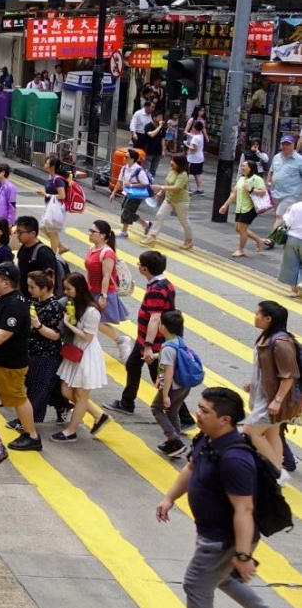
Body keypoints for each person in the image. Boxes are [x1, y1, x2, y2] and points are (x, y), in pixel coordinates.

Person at [156, 387, 269, 608]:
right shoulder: (207, 439)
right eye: (199, 407)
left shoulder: (235, 459)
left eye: (205, 411)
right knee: (221, 577)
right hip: (214, 534)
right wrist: (170, 498)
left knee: (196, 584)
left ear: (225, 420)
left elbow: (244, 509)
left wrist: (243, 555)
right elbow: (191, 467)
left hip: (223, 540)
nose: (198, 413)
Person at [0, 262, 43, 451]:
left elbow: (4, 334)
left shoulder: (16, 305)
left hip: (7, 364)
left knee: (17, 398)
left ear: (6, 283)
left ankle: (31, 435)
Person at [105, 250, 176, 415]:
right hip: (145, 339)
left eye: (139, 264)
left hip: (153, 341)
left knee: (159, 378)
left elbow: (155, 318)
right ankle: (127, 402)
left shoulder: (156, 290)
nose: (138, 266)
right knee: (132, 365)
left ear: (145, 269)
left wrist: (149, 346)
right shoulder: (166, 283)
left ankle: (183, 416)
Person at [242, 300, 299, 480]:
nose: (255, 316)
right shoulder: (266, 337)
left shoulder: (281, 342)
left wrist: (278, 400)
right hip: (264, 395)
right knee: (272, 433)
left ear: (269, 318)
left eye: (258, 313)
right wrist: (254, 382)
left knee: (251, 431)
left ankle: (277, 471)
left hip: (271, 399)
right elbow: (266, 369)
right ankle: (277, 471)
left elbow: (289, 375)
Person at [52, 273, 111, 441]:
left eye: (69, 289)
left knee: (81, 396)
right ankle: (98, 415)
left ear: (79, 289)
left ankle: (71, 431)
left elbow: (88, 336)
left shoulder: (92, 311)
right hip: (75, 352)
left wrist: (69, 324)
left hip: (87, 355)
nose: (66, 292)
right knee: (67, 390)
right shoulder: (75, 304)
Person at [22, 269, 68, 429]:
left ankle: (28, 422)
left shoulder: (54, 308)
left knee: (37, 390)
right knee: (44, 386)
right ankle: (62, 405)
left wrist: (37, 325)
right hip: (33, 352)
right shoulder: (36, 302)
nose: (29, 290)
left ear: (44, 288)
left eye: (32, 287)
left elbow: (56, 335)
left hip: (47, 355)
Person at [153, 311, 196, 459]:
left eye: (159, 323)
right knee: (173, 412)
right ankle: (175, 445)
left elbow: (168, 372)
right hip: (185, 385)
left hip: (173, 387)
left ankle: (174, 440)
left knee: (156, 408)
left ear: (163, 327)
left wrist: (165, 394)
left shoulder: (167, 348)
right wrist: (155, 356)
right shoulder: (179, 341)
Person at [84, 220, 130, 356]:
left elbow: (106, 275)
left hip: (103, 292)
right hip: (92, 291)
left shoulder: (107, 253)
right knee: (89, 319)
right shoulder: (92, 249)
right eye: (90, 230)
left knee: (96, 321)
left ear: (103, 235)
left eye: (93, 232)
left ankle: (120, 340)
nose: (90, 234)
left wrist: (103, 296)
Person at [218, 159, 269, 257]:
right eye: (241, 166)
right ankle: (259, 240)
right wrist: (225, 205)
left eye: (244, 166)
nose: (242, 168)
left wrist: (251, 190)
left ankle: (241, 250)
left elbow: (263, 192)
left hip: (250, 208)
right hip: (240, 207)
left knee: (242, 229)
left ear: (250, 168)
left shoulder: (256, 179)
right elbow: (234, 193)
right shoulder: (241, 179)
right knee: (238, 228)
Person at [145, 154, 194, 249]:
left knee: (184, 221)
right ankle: (152, 236)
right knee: (159, 216)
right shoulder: (172, 170)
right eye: (171, 160)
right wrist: (160, 192)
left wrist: (160, 187)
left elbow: (176, 188)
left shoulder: (183, 175)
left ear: (180, 163)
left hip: (181, 201)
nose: (171, 162)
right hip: (169, 199)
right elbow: (167, 182)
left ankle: (189, 241)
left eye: (174, 161)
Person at [110, 148, 152, 238]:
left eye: (126, 157)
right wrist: (113, 193)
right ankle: (126, 231)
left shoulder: (138, 170)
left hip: (136, 195)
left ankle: (144, 224)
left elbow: (145, 183)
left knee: (127, 212)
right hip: (127, 193)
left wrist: (132, 185)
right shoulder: (124, 168)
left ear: (132, 159)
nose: (124, 158)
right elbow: (119, 181)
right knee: (125, 210)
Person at [267, 136, 302, 244]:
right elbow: (271, 170)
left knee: (279, 215)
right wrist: (268, 181)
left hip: (291, 193)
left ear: (293, 145)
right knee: (284, 217)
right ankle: (288, 235)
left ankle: (271, 239)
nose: (285, 146)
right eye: (283, 144)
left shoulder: (299, 160)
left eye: (288, 144)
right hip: (276, 192)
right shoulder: (277, 157)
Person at [41, 156, 71, 255]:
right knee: (43, 227)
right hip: (51, 206)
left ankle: (53, 254)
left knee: (52, 231)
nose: (45, 164)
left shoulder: (58, 179)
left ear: (52, 167)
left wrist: (47, 195)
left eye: (47, 163)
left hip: (57, 208)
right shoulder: (51, 177)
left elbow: (62, 195)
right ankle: (61, 246)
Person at [185, 119, 207, 195]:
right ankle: (200, 189)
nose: (192, 129)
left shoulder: (195, 138)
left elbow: (194, 149)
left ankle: (187, 189)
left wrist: (187, 145)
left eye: (193, 127)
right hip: (200, 157)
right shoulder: (201, 136)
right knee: (197, 174)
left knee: (186, 173)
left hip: (193, 158)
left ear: (195, 128)